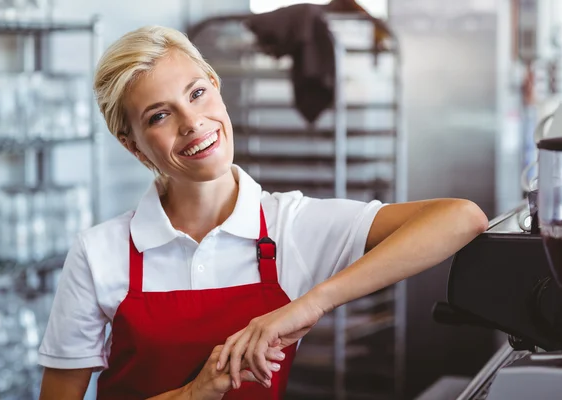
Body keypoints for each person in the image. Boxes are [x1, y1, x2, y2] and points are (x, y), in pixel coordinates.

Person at [37, 25, 488, 400]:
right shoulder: (100, 253)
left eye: (196, 93)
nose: (192, 122)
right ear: (133, 147)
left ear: (217, 87)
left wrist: (308, 306)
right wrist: (192, 394)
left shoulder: (289, 225)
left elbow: (462, 217)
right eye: (159, 116)